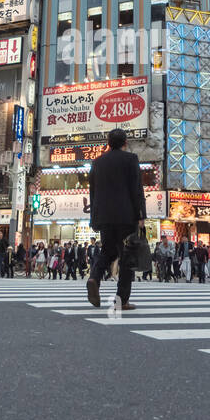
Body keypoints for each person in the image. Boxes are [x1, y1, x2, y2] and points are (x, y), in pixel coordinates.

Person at [86, 128, 146, 310]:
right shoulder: (131, 159)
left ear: (108, 142)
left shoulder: (97, 162)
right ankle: (121, 300)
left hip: (104, 216)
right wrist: (141, 215)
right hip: (126, 216)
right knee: (127, 258)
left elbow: (93, 193)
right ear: (125, 142)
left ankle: (94, 277)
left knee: (107, 251)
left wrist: (94, 218)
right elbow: (136, 189)